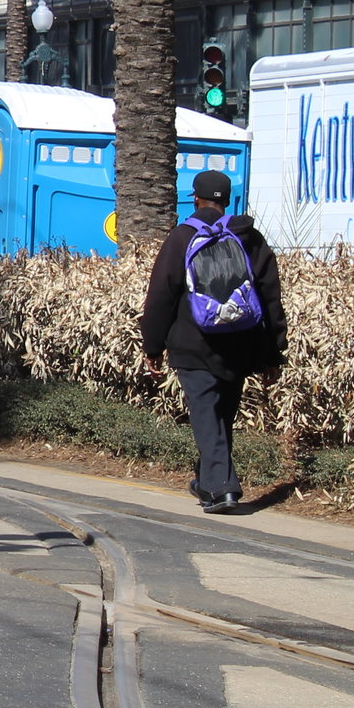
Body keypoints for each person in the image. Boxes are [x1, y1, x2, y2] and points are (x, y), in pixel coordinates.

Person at [141, 170, 286, 513]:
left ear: (195, 198)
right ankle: (207, 483)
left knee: (207, 416)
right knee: (221, 416)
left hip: (193, 343)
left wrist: (152, 346)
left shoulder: (182, 237)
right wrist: (272, 352)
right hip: (239, 343)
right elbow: (270, 296)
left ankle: (223, 488)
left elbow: (161, 295)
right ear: (226, 200)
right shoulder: (249, 237)